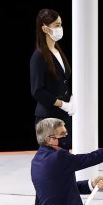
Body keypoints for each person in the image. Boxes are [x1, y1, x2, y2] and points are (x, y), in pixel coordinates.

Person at [30, 9, 74, 149]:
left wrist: (71, 98)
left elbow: (63, 80)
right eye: (56, 25)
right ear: (44, 28)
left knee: (65, 156)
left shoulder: (57, 51)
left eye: (60, 24)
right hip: (48, 117)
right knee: (52, 159)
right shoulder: (38, 56)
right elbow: (37, 91)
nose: (60, 29)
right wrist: (62, 104)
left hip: (64, 115)